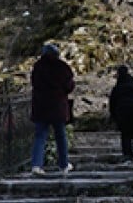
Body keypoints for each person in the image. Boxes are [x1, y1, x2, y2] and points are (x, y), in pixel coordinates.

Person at [29, 42, 75, 175]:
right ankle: (63, 164)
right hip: (58, 107)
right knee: (60, 136)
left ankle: (36, 165)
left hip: (41, 106)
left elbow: (34, 84)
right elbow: (69, 86)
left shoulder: (38, 67)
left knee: (40, 136)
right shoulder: (62, 67)